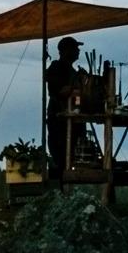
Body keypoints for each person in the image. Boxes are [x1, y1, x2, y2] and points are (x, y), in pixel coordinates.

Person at [43, 36, 84, 181]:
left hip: (73, 120)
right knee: (60, 159)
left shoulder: (73, 71)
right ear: (66, 51)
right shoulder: (56, 68)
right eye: (75, 48)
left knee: (73, 155)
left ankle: (67, 192)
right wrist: (76, 88)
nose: (78, 51)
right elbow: (59, 91)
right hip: (58, 120)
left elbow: (77, 97)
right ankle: (58, 192)